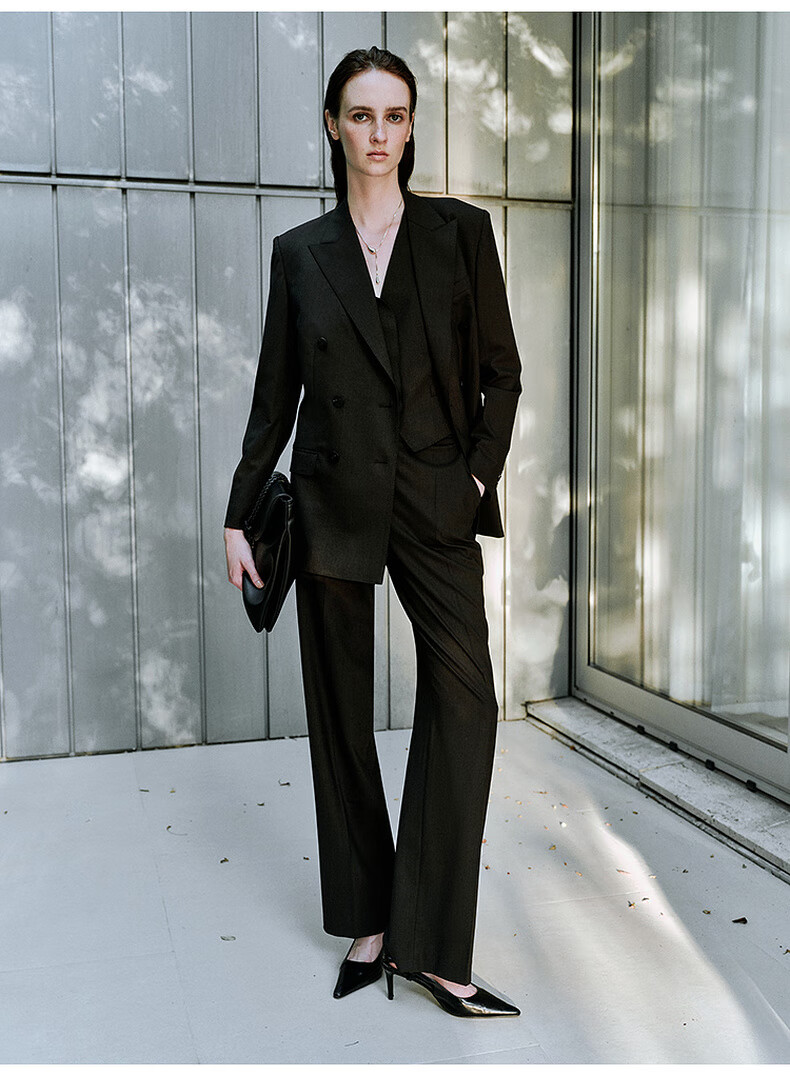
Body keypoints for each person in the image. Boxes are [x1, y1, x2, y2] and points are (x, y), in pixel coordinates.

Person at [224, 46, 522, 1018]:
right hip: (333, 502)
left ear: (411, 125)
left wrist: (473, 476)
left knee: (466, 700)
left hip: (436, 498)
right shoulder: (300, 252)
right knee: (341, 718)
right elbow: (275, 394)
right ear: (333, 125)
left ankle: (430, 940)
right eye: (361, 115)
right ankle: (370, 920)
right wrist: (239, 511)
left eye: (394, 115)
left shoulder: (460, 233)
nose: (379, 132)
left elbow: (502, 371)